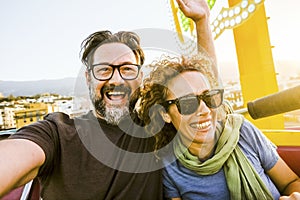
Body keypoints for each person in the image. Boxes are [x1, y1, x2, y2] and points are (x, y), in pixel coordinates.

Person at [0, 0, 215, 199]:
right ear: (88, 78)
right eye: (104, 70)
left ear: (139, 77)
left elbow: (204, 89)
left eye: (127, 69)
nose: (116, 79)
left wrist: (202, 21)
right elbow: (14, 157)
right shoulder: (57, 134)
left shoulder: (156, 128)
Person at [138, 53, 300, 200]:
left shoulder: (243, 132)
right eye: (187, 103)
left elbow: (290, 182)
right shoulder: (170, 167)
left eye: (209, 98)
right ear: (164, 114)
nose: (204, 110)